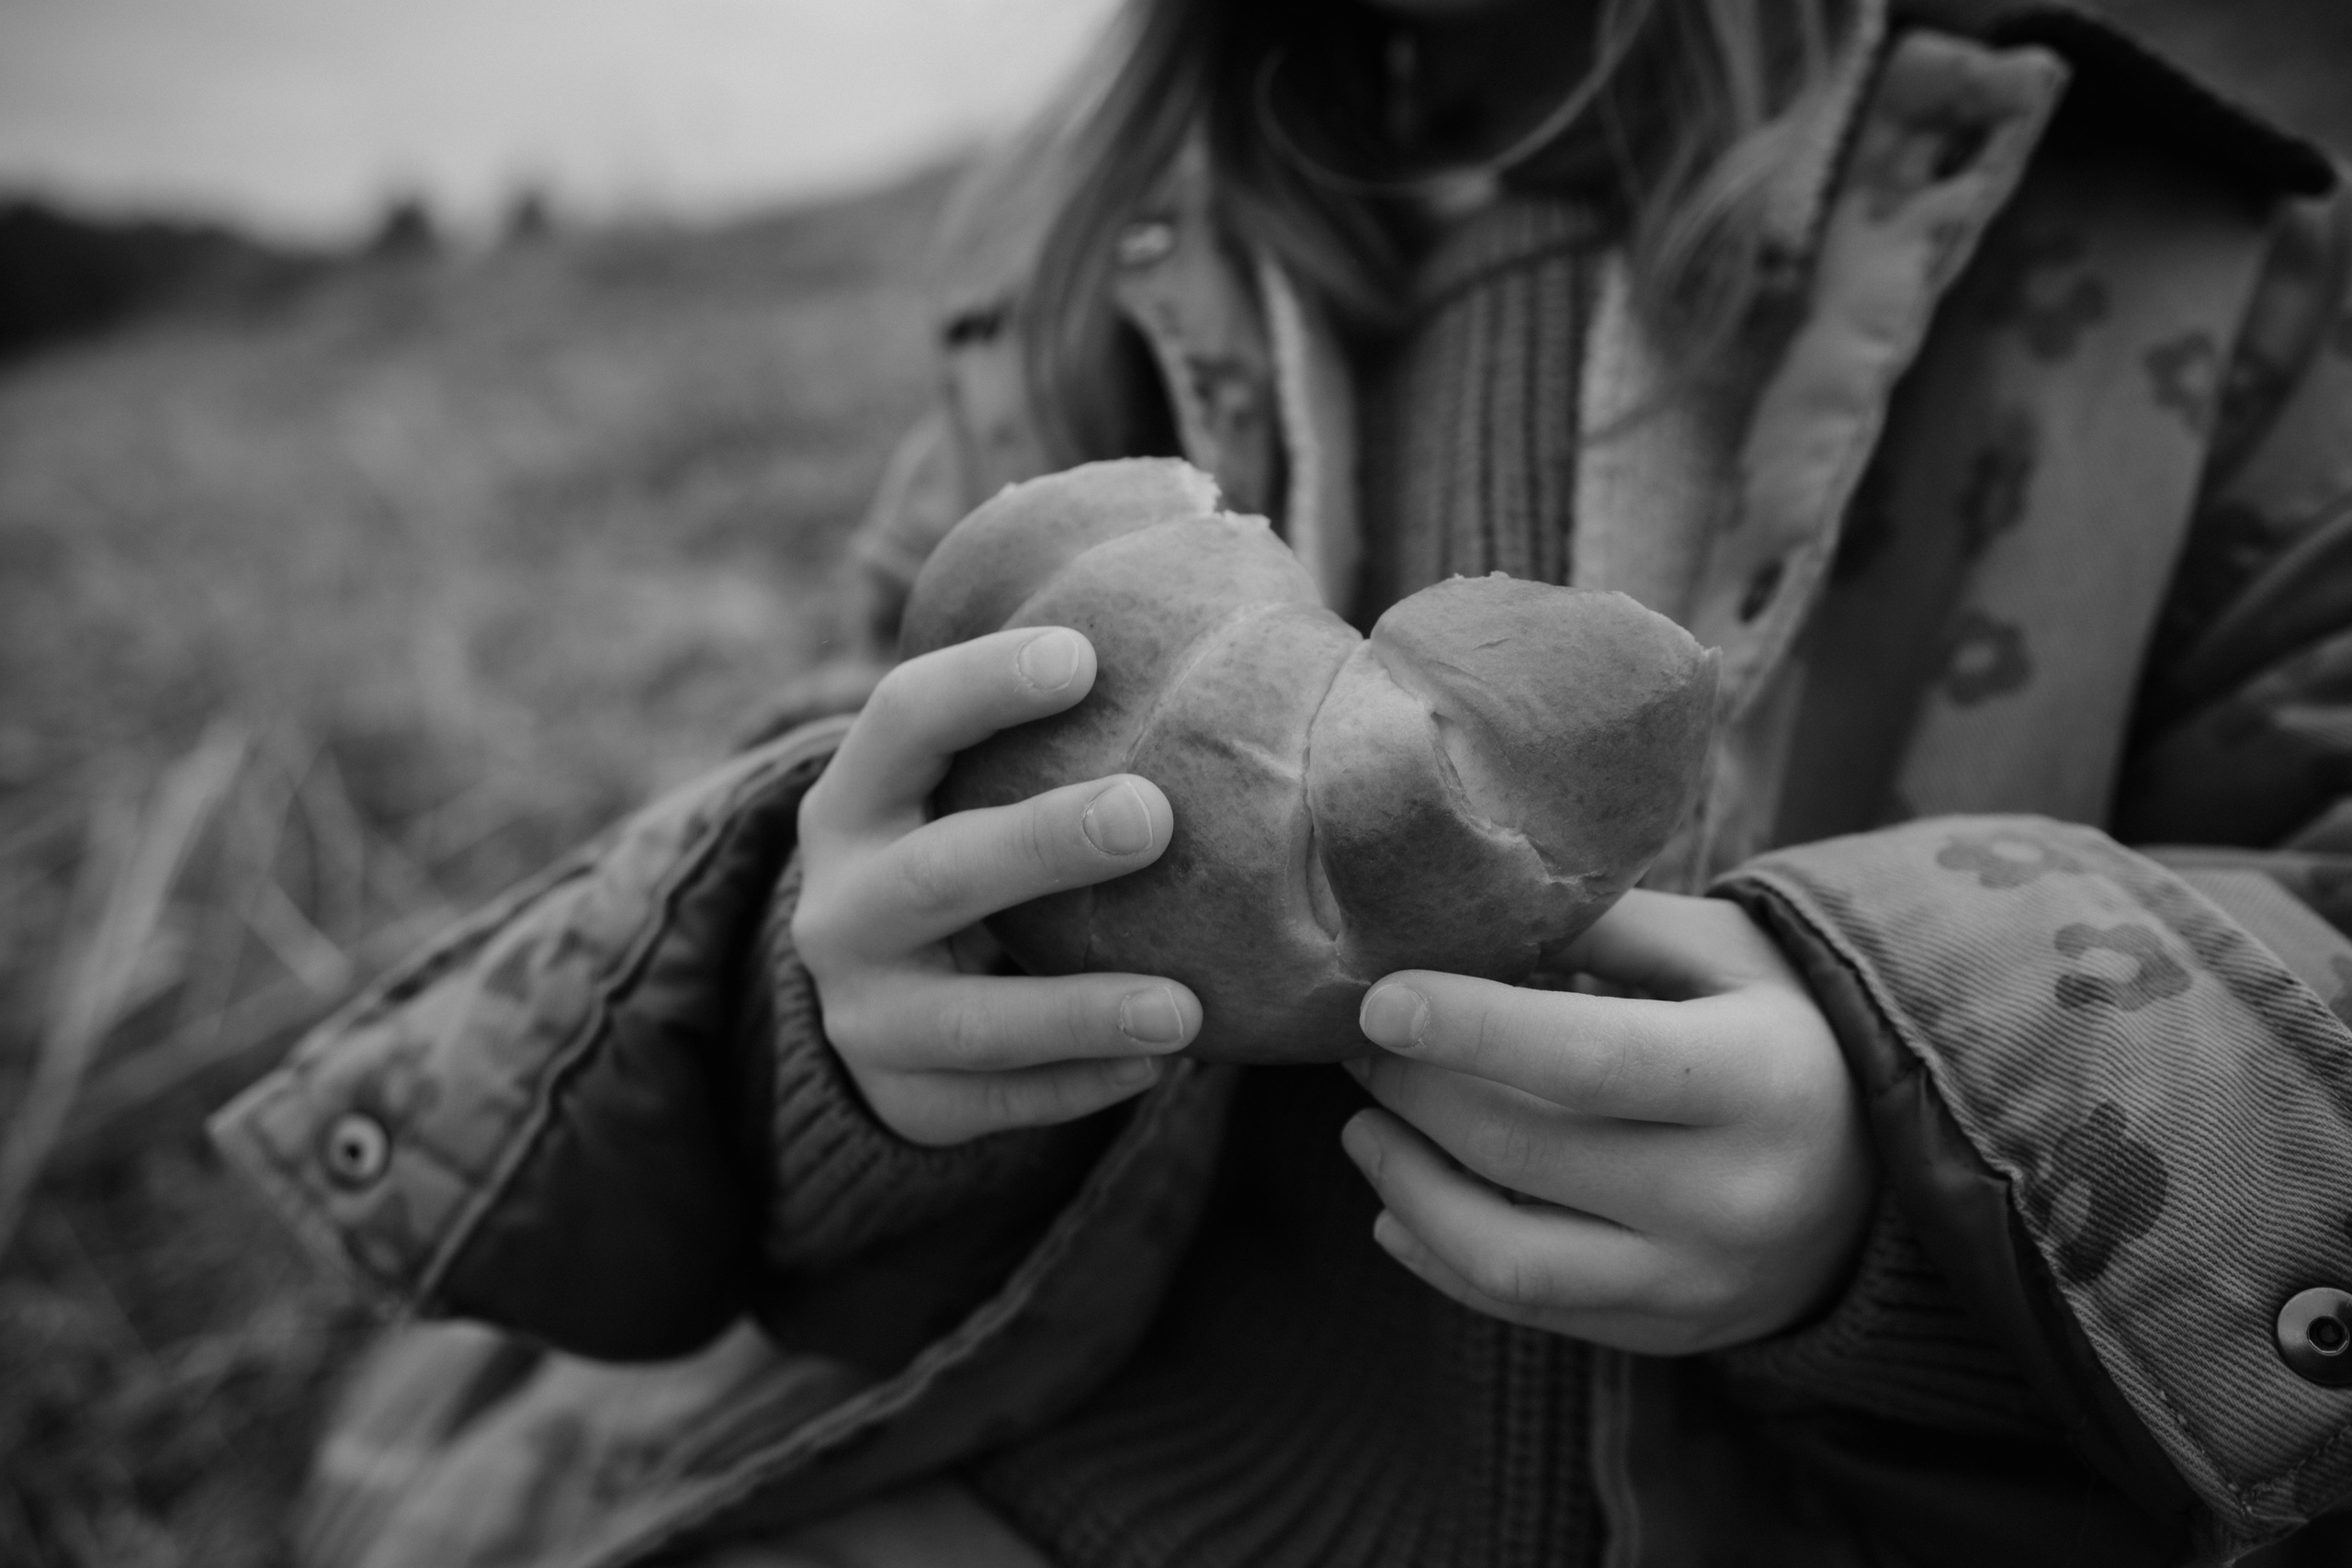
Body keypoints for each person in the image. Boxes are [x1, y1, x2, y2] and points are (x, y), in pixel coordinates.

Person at [212, 0, 2352, 1564]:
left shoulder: (2181, 268)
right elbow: (849, 776)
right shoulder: (1070, 305)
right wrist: (836, 1018)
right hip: (1086, 1470)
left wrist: (1921, 1158)